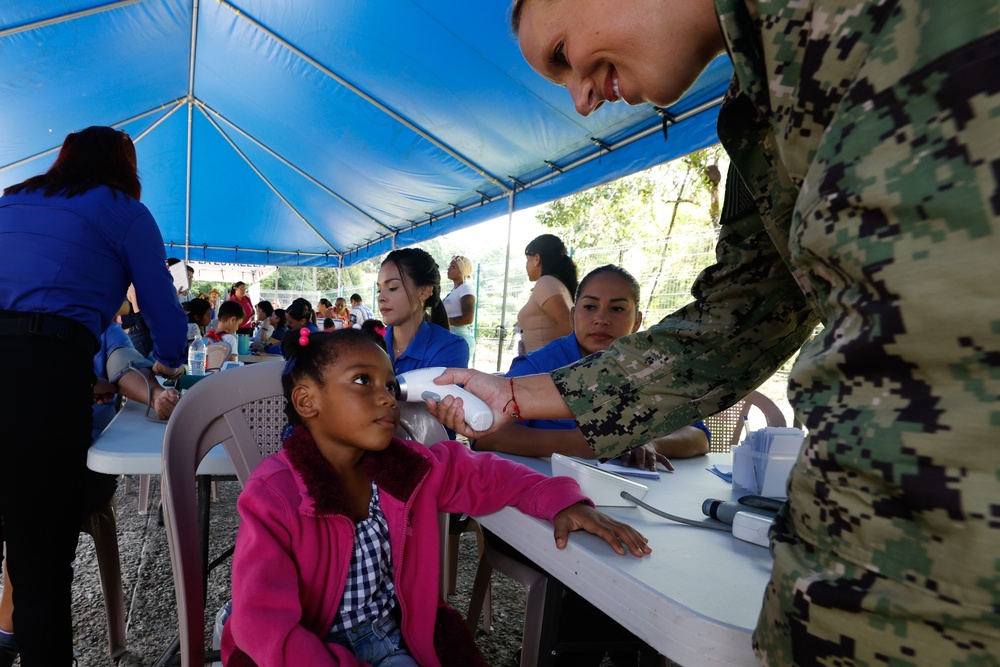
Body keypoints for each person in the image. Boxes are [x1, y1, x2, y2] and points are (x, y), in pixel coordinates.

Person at [425, 2, 1000, 665]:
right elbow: (736, 317)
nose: (582, 100)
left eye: (562, 53)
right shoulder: (760, 102)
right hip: (865, 554)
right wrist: (517, 394)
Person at [219, 327, 650, 667]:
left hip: (392, 639)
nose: (386, 397)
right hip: (306, 647)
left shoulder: (410, 467)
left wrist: (561, 498)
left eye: (389, 385)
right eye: (362, 381)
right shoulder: (273, 493)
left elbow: (487, 474)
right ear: (307, 401)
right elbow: (265, 624)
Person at [0, 125, 188, 665]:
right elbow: (164, 319)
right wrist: (169, 364)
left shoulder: (12, 200)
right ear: (125, 170)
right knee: (41, 568)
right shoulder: (124, 211)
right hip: (41, 374)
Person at [0, 320, 183, 666]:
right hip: (34, 468)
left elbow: (125, 366)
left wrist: (156, 394)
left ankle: (7, 632)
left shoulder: (101, 330)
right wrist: (76, 387)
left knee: (31, 516)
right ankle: (8, 631)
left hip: (73, 473)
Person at [475, 265, 710, 466]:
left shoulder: (654, 368)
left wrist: (647, 441)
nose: (601, 319)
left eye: (617, 309)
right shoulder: (538, 365)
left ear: (637, 321)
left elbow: (699, 437)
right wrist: (584, 445)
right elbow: (487, 434)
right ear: (572, 316)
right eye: (589, 307)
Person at [377, 248, 469, 376]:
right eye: (379, 290)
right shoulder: (372, 342)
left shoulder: (450, 348)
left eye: (393, 287)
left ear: (424, 292)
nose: (380, 297)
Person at [517, 234, 577, 354]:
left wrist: (548, 359)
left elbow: (567, 323)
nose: (526, 266)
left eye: (527, 260)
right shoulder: (557, 284)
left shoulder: (546, 282)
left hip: (542, 367)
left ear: (536, 259)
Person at [442, 255, 477, 357]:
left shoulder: (466, 288)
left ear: (463, 270)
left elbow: (468, 319)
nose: (449, 268)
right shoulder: (455, 291)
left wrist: (440, 321)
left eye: (453, 266)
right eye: (449, 266)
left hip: (461, 340)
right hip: (450, 339)